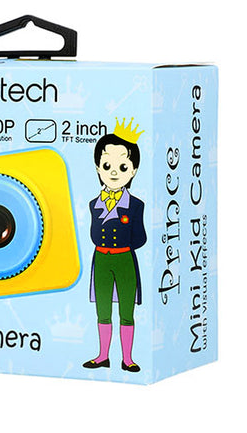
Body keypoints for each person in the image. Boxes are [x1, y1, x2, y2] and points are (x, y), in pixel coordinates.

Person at [83, 118, 147, 373]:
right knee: (103, 310)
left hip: (124, 260)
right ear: (98, 168)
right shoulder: (94, 204)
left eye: (122, 166)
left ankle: (128, 358)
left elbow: (140, 238)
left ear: (133, 171)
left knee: (127, 311)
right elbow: (93, 234)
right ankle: (103, 355)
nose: (113, 172)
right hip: (101, 259)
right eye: (107, 165)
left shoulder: (136, 205)